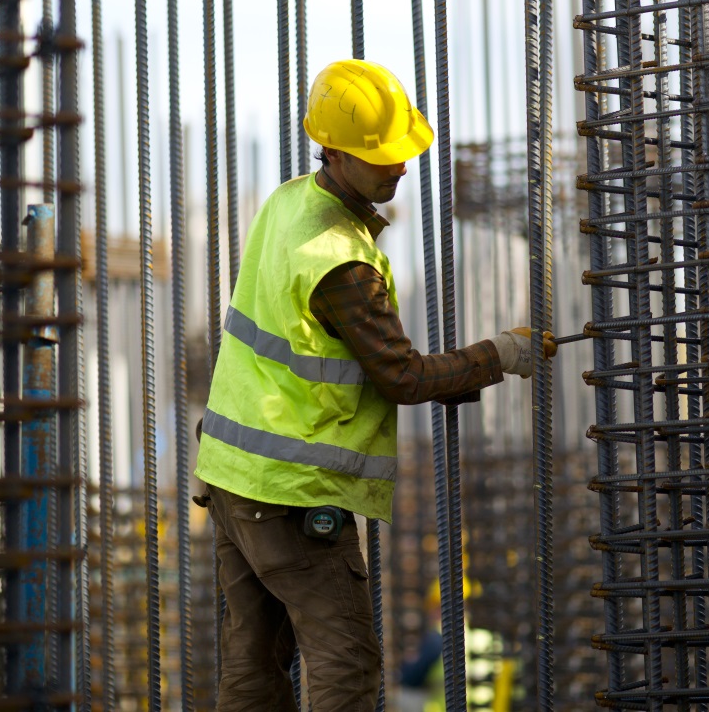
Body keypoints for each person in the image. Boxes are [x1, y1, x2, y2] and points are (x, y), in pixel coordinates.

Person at [193, 58, 556, 712]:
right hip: (290, 497)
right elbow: (402, 377)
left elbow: (354, 364)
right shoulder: (340, 262)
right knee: (347, 665)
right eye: (382, 156)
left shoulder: (289, 202)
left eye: (402, 152)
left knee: (253, 669)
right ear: (333, 152)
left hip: (230, 476)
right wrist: (502, 355)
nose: (400, 167)